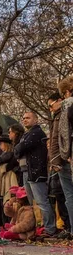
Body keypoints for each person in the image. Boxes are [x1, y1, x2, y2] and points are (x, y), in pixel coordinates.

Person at [14, 112, 56, 237]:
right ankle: (39, 227)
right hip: (28, 171)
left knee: (41, 201)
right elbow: (17, 150)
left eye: (28, 118)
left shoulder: (36, 133)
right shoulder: (27, 134)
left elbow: (20, 148)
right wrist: (18, 149)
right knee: (34, 202)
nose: (25, 120)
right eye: (23, 118)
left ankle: (50, 229)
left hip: (36, 171)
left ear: (36, 120)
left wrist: (18, 149)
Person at [56, 78, 73, 238]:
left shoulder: (67, 107)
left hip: (69, 155)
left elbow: (64, 133)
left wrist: (66, 154)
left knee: (69, 195)